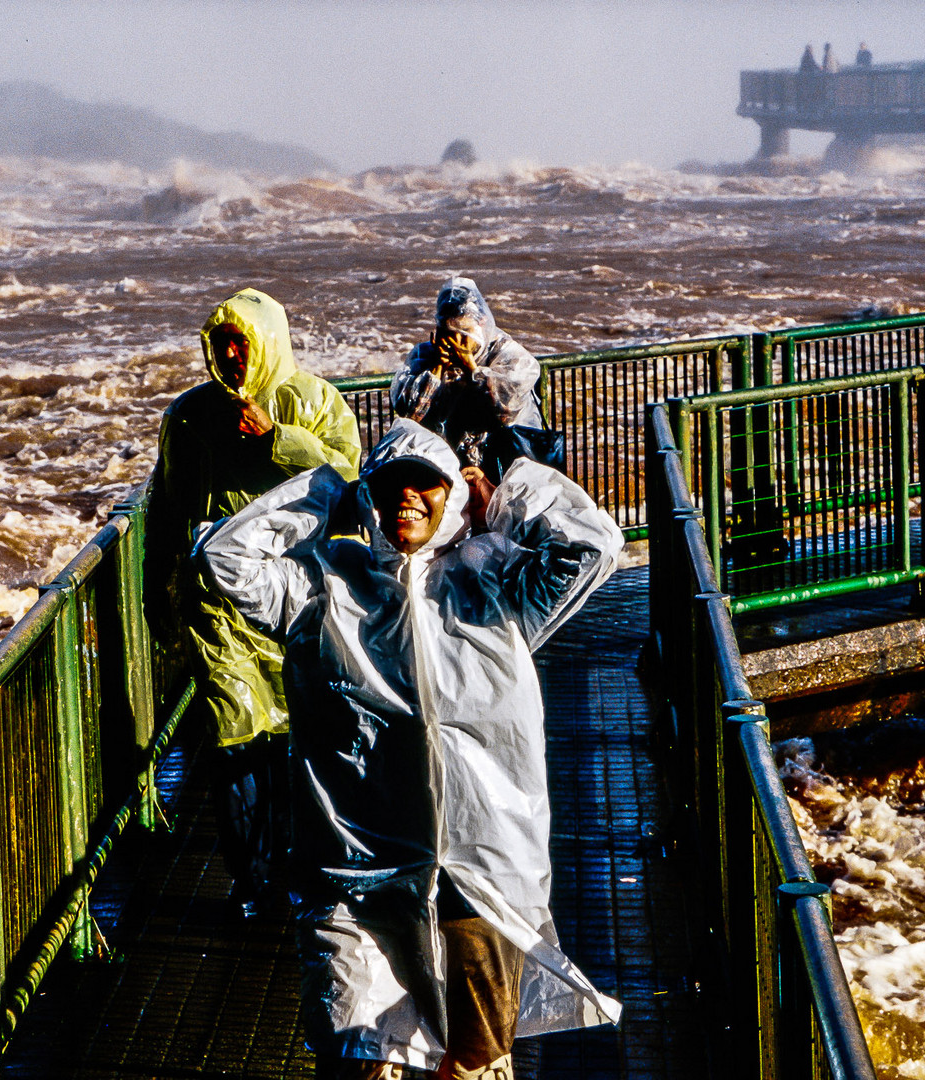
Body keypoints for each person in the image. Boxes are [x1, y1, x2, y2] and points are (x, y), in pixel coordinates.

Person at [196, 419, 624, 1079]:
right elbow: (222, 558)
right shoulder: (319, 591)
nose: (407, 497)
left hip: (482, 869)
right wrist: (322, 491)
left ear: (451, 496)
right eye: (390, 484)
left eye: (426, 485)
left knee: (477, 1060)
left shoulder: (496, 584)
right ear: (367, 494)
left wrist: (505, 495)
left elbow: (593, 543)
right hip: (355, 875)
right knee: (354, 1054)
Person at [142, 287, 361, 916]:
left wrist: (280, 439)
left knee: (300, 733)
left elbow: (351, 484)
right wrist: (162, 596)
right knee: (234, 730)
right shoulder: (189, 417)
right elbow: (167, 512)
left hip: (298, 597)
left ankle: (305, 863)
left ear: (269, 343)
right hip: (216, 608)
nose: (233, 357)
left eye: (244, 344)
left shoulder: (314, 402)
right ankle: (254, 881)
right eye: (222, 345)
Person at [390, 277, 557, 485]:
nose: (456, 342)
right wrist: (436, 370)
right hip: (448, 467)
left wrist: (473, 370)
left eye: (464, 333)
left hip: (502, 466)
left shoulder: (506, 353)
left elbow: (505, 413)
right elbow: (408, 416)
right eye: (448, 334)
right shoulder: (424, 356)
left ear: (481, 323)